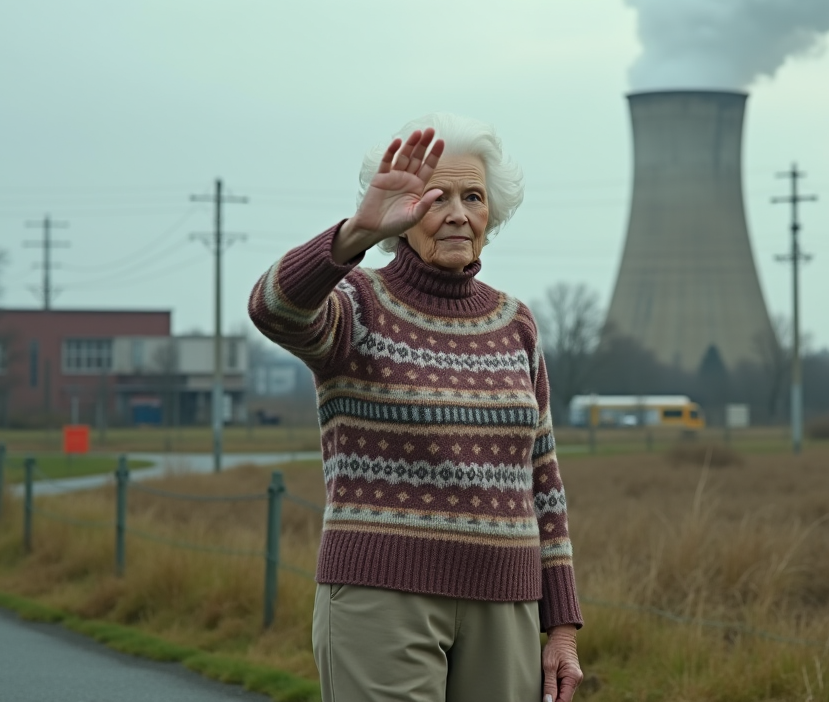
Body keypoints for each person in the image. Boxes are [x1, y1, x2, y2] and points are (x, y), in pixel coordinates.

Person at [248, 113, 584, 702]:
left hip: (505, 602)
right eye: (437, 197)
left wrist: (562, 627)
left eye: (473, 197)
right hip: (382, 595)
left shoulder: (516, 324)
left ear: (492, 213)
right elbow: (273, 308)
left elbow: (543, 480)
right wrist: (355, 232)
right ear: (405, 215)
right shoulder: (356, 304)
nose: (457, 213)